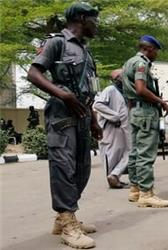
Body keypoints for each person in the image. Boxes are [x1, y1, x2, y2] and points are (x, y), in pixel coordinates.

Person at [27, 3, 102, 249]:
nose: (97, 25)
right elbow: (34, 73)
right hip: (61, 117)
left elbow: (86, 90)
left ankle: (64, 218)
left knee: (82, 169)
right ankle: (68, 223)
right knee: (63, 168)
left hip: (82, 116)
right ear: (81, 18)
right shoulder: (57, 43)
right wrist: (63, 95)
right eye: (94, 20)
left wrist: (93, 120)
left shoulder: (86, 52)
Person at [122, 35, 168, 208]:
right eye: (156, 50)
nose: (156, 54)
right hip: (145, 112)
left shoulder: (128, 62)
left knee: (135, 152)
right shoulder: (141, 63)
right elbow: (141, 89)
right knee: (146, 154)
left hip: (135, 111)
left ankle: (135, 189)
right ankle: (146, 194)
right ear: (149, 49)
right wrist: (160, 101)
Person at [93, 69, 130, 189]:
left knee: (127, 152)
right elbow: (98, 105)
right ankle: (113, 176)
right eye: (120, 77)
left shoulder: (125, 91)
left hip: (123, 128)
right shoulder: (110, 90)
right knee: (111, 154)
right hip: (111, 127)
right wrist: (115, 116)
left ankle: (115, 176)